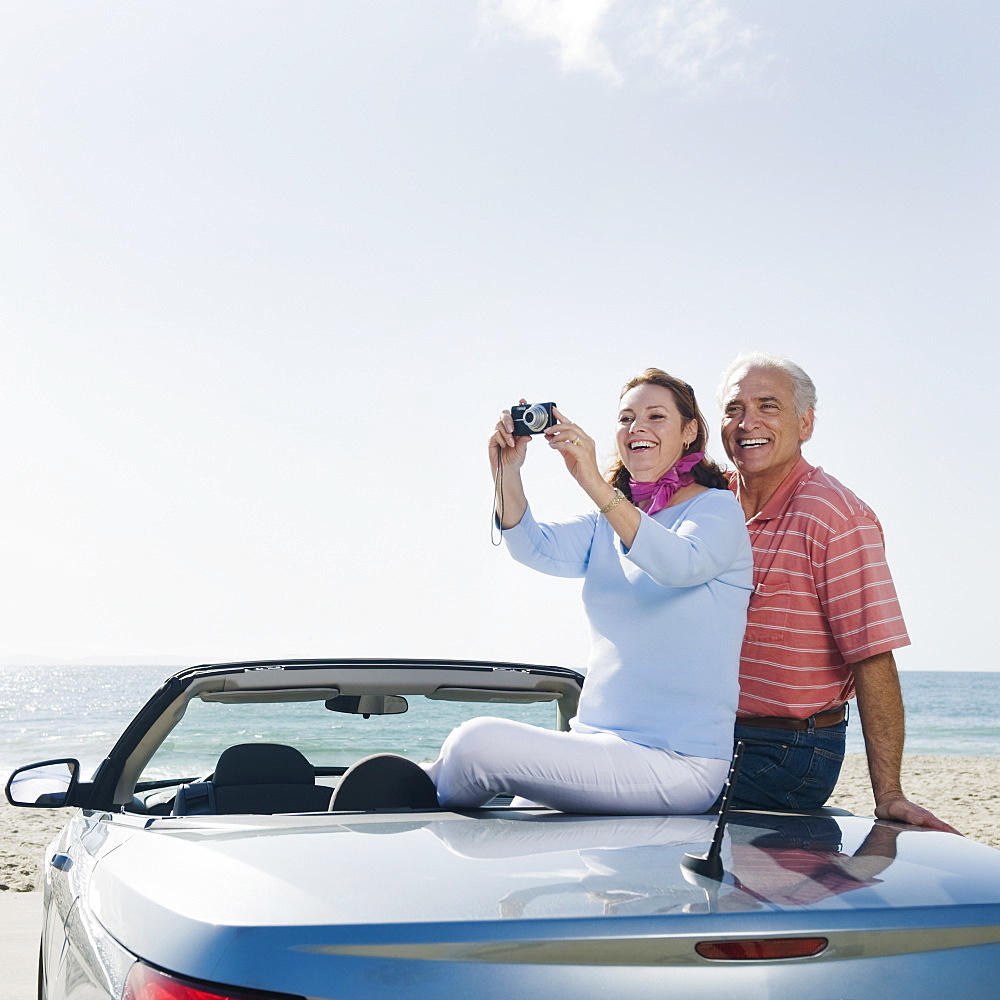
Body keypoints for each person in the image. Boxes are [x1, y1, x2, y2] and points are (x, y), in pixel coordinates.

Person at [423, 368, 754, 814]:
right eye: (626, 418)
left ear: (689, 431)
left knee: (476, 743)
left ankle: (412, 793)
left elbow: (678, 565)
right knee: (495, 816)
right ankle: (397, 790)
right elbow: (532, 547)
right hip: (595, 749)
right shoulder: (609, 523)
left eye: (656, 416)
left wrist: (594, 483)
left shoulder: (717, 510)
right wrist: (506, 472)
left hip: (677, 763)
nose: (637, 427)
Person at [716, 352, 958, 832]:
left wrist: (888, 794)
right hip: (709, 735)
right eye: (733, 408)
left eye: (768, 406)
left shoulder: (836, 516)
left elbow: (873, 655)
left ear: (805, 423)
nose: (748, 422)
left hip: (787, 752)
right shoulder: (710, 502)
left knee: (642, 802)